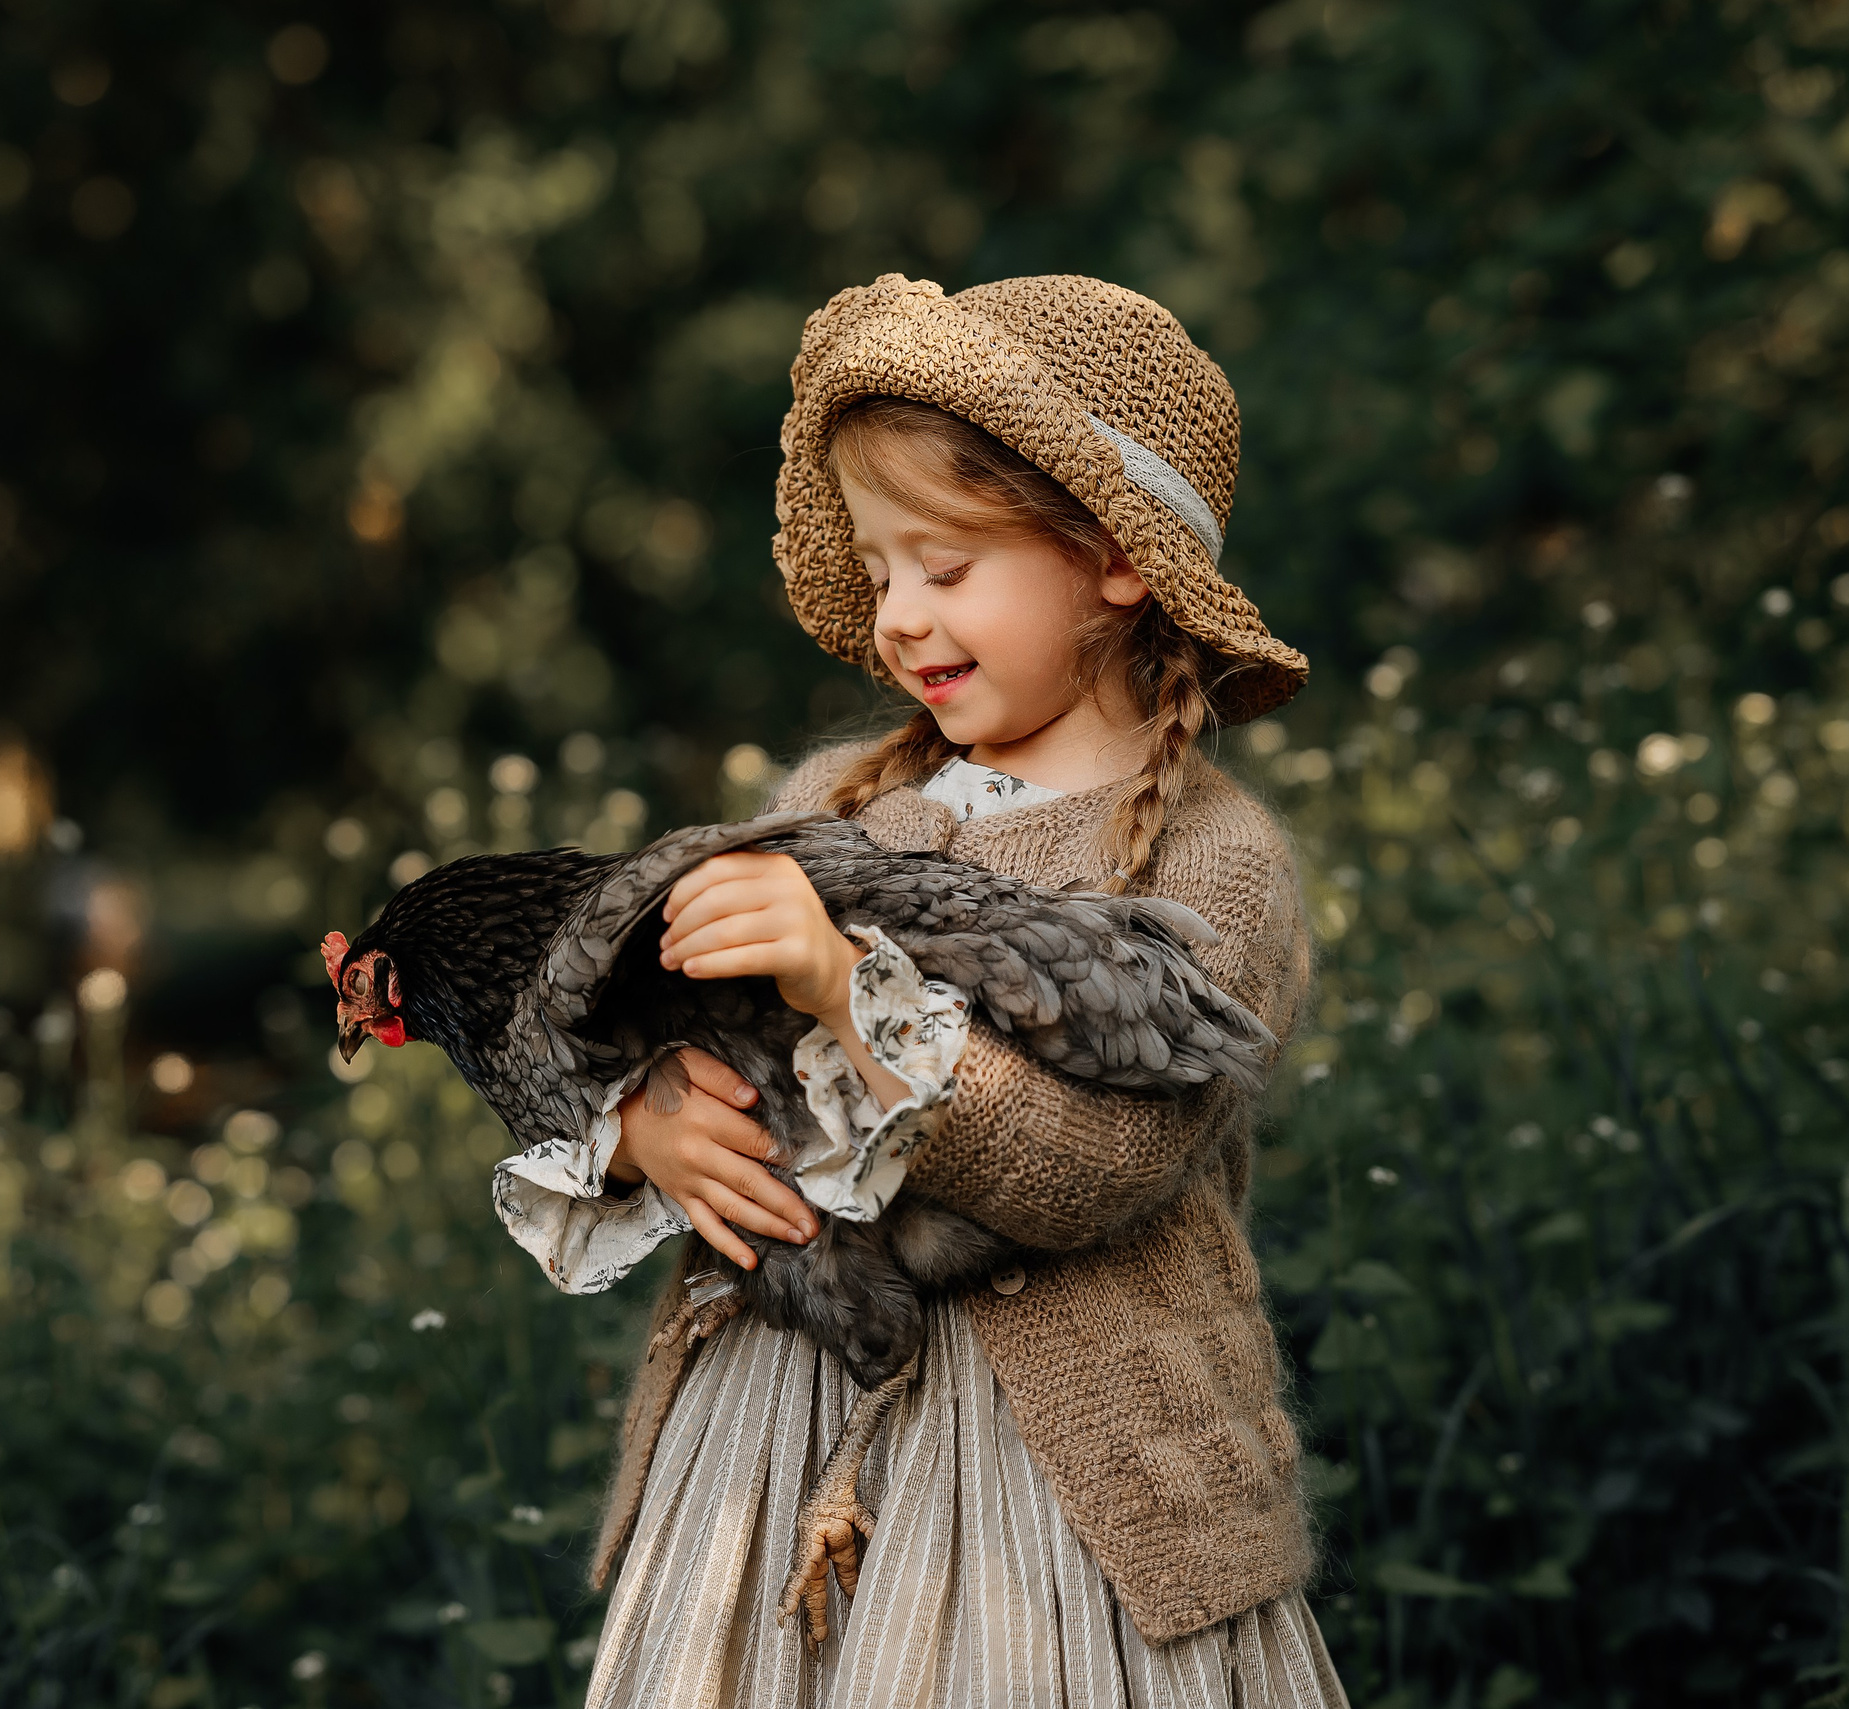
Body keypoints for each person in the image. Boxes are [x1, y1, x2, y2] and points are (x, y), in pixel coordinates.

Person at [496, 273, 1345, 1707]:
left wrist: (844, 979)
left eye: (945, 567)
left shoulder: (1213, 856)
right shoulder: (835, 802)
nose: (900, 615)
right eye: (883, 571)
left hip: (1063, 1497)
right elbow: (665, 1030)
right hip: (772, 1443)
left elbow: (1097, 1162)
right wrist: (649, 1124)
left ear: (1114, 559)